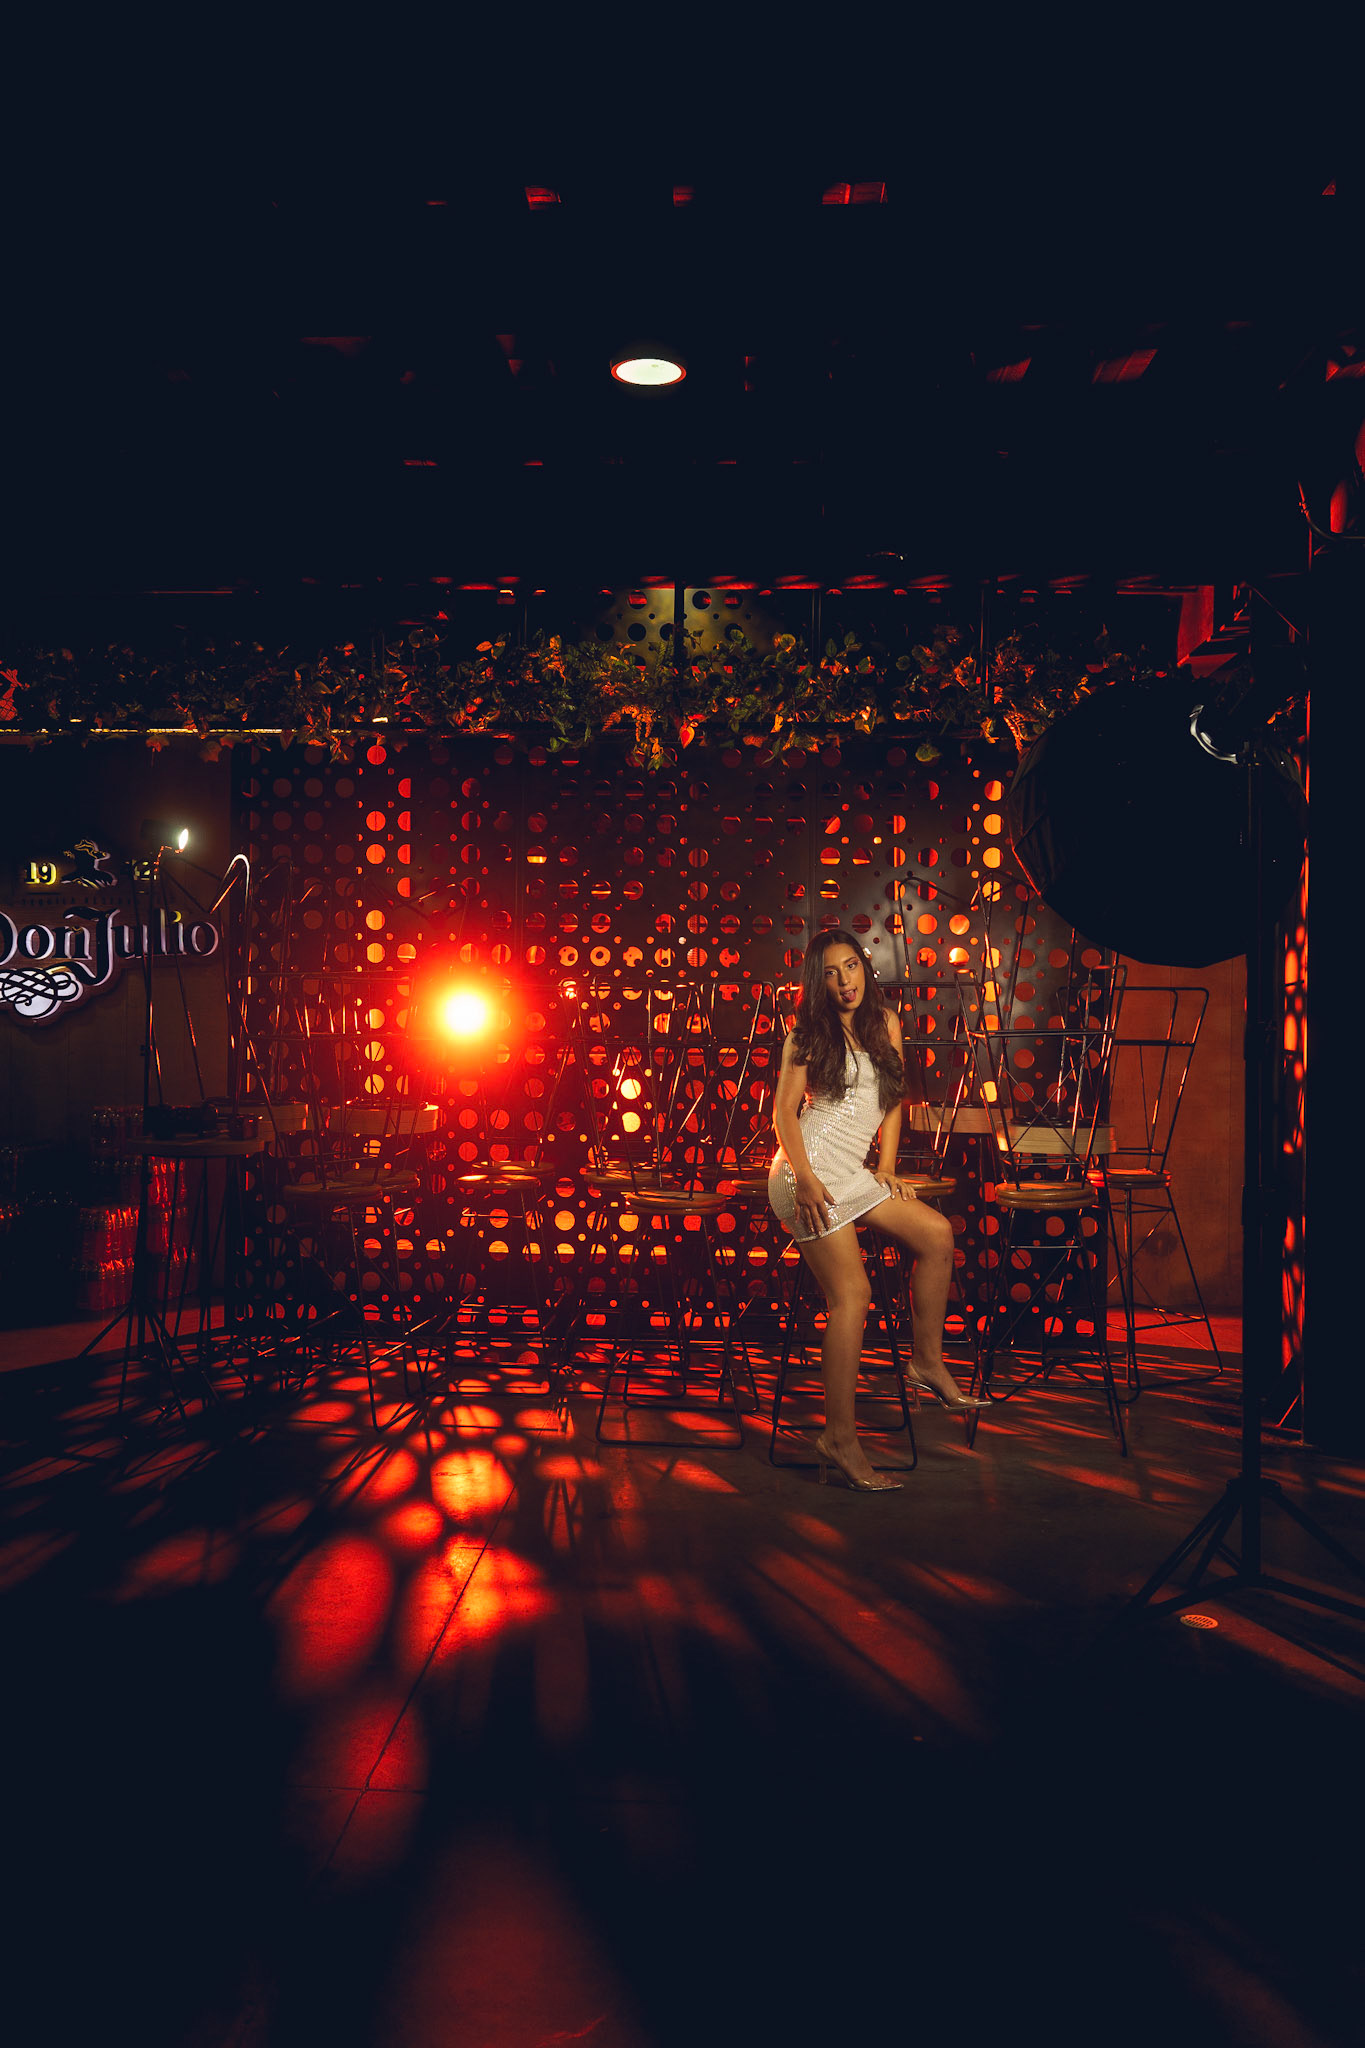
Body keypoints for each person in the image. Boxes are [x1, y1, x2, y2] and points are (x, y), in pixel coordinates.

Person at [768, 928, 985, 1491]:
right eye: (831, 973)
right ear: (818, 982)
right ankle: (838, 1438)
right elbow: (784, 1114)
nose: (845, 981)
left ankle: (926, 1363)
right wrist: (806, 1179)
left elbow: (892, 1099)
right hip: (805, 1173)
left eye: (851, 967)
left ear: (864, 967)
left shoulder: (885, 1023)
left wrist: (886, 1168)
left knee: (937, 1235)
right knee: (853, 1296)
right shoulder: (805, 1034)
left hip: (854, 1173)